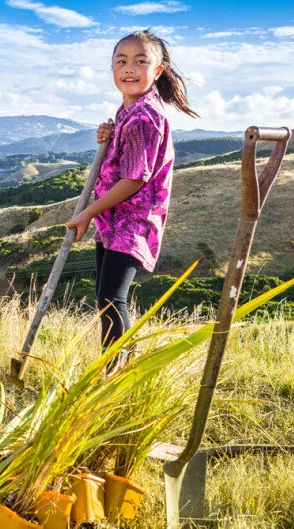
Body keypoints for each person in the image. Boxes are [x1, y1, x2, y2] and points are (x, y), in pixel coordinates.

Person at [66, 29, 198, 365]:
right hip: (113, 219)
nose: (129, 67)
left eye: (141, 61)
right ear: (112, 69)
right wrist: (107, 137)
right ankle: (119, 368)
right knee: (105, 298)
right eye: (121, 61)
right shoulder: (130, 110)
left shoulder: (144, 117)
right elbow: (124, 158)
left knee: (112, 299)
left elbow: (133, 180)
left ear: (157, 72)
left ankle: (115, 375)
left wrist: (85, 214)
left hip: (132, 220)